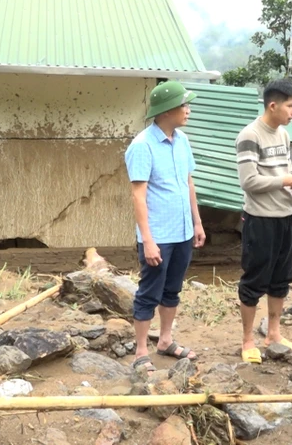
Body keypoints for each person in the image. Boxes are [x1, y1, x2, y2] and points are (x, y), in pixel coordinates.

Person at [125, 80, 206, 372]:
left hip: (183, 231)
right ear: (166, 110)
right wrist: (147, 240)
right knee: (149, 291)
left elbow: (188, 183)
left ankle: (166, 340)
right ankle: (141, 351)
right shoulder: (142, 146)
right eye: (184, 105)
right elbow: (138, 195)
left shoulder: (182, 140)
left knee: (173, 289)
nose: (188, 110)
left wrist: (197, 222)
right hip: (158, 235)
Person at [235, 78, 292, 364]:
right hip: (260, 219)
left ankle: (274, 334)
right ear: (273, 105)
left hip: (286, 216)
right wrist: (288, 180)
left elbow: (285, 175)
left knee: (282, 279)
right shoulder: (250, 135)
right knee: (254, 280)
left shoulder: (282, 134)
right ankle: (247, 340)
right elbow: (249, 181)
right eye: (291, 106)